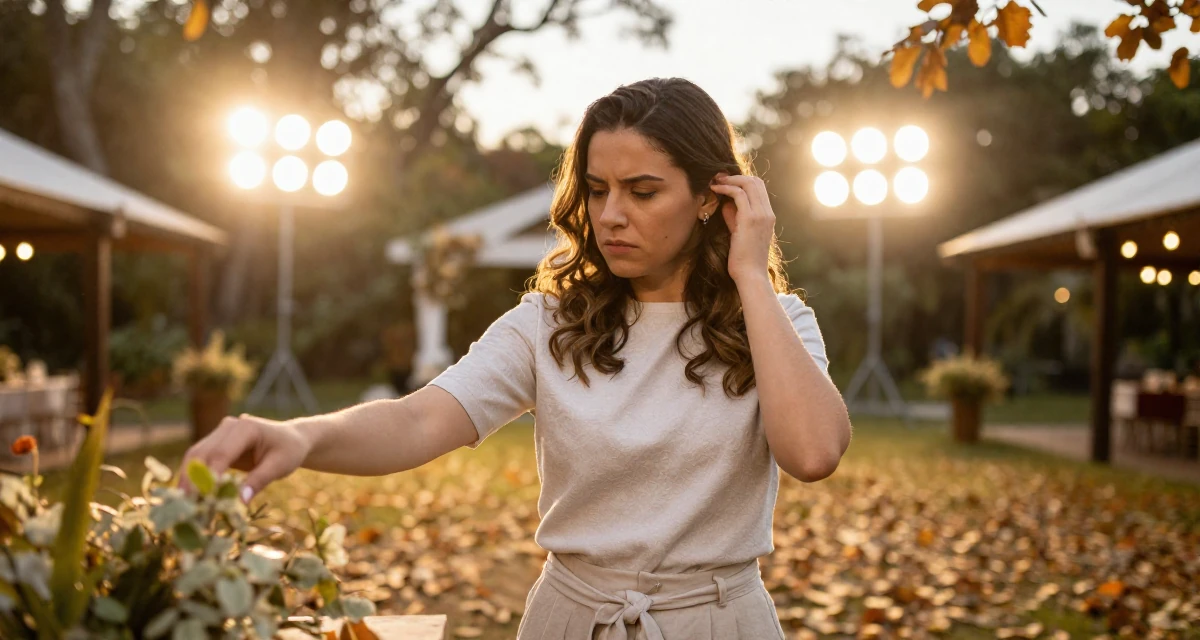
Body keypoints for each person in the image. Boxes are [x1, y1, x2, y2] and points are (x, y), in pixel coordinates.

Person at [179, 77, 852, 640]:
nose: (611, 215)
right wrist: (300, 436)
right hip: (571, 618)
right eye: (596, 189)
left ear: (712, 196)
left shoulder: (776, 324)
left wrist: (751, 278)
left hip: (718, 622)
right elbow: (418, 421)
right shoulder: (550, 322)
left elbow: (814, 453)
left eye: (642, 192)